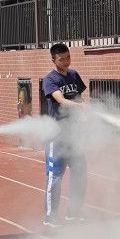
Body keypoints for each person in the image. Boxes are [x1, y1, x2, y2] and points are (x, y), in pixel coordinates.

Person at [42, 43, 88, 226]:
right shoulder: (50, 79)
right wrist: (80, 107)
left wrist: (83, 112)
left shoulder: (74, 75)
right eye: (61, 59)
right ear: (53, 60)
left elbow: (79, 97)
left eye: (68, 57)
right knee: (55, 177)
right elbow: (60, 100)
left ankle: (73, 213)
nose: (66, 62)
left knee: (80, 173)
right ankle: (50, 218)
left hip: (74, 135)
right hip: (57, 136)